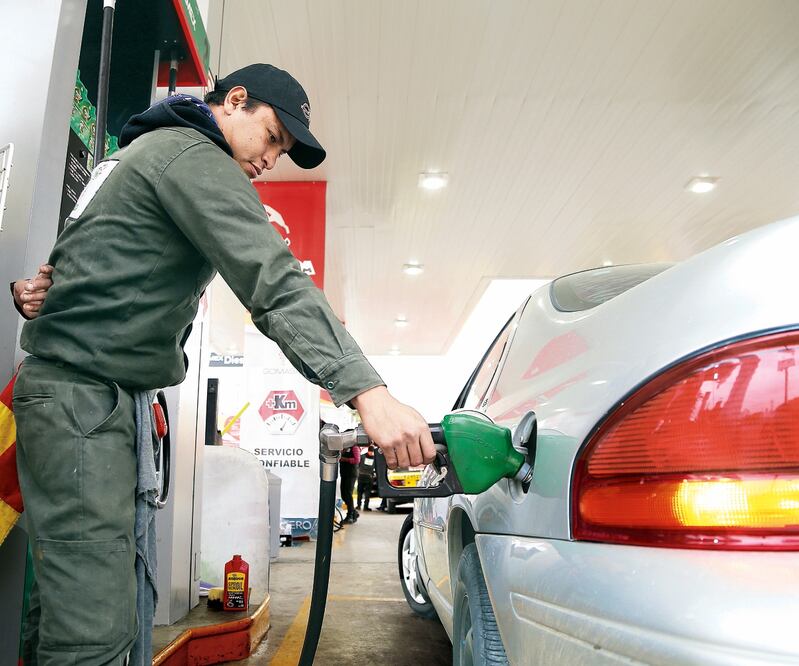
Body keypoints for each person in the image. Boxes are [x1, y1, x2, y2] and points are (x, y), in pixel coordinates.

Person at [12, 63, 435, 665]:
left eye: (282, 151)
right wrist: (368, 393)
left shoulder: (140, 152)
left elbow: (80, 261)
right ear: (235, 100)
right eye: (272, 137)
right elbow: (275, 282)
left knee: (68, 607)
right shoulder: (193, 156)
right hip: (84, 402)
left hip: (81, 397)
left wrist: (43, 290)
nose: (272, 159)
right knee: (93, 630)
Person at [339, 444, 361, 524]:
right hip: (344, 473)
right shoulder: (343, 448)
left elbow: (357, 460)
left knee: (348, 493)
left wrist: (345, 459)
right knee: (343, 495)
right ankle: (354, 512)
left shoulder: (355, 447)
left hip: (351, 473)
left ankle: (350, 515)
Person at [358, 444, 377, 510]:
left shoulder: (375, 458)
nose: (371, 453)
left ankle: (366, 506)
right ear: (368, 451)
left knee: (368, 493)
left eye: (372, 452)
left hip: (369, 477)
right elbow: (358, 465)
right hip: (361, 476)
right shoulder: (362, 456)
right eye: (370, 452)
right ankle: (358, 505)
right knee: (360, 492)